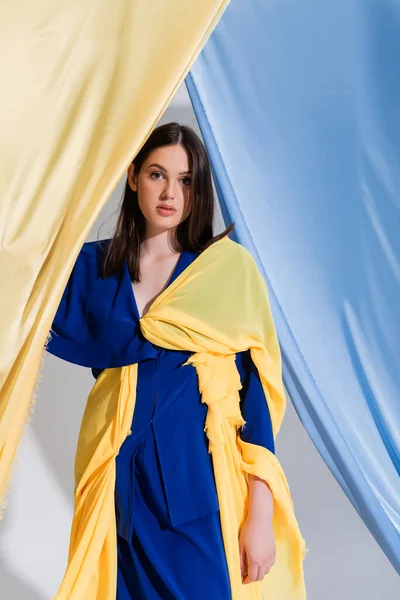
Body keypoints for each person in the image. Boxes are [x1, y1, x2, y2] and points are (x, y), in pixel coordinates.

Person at [46, 122, 280, 599]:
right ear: (132, 178)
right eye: (157, 174)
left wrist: (261, 515)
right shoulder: (93, 269)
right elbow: (26, 299)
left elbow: (256, 405)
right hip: (117, 491)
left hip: (194, 492)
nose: (171, 192)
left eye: (186, 180)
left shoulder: (225, 271)